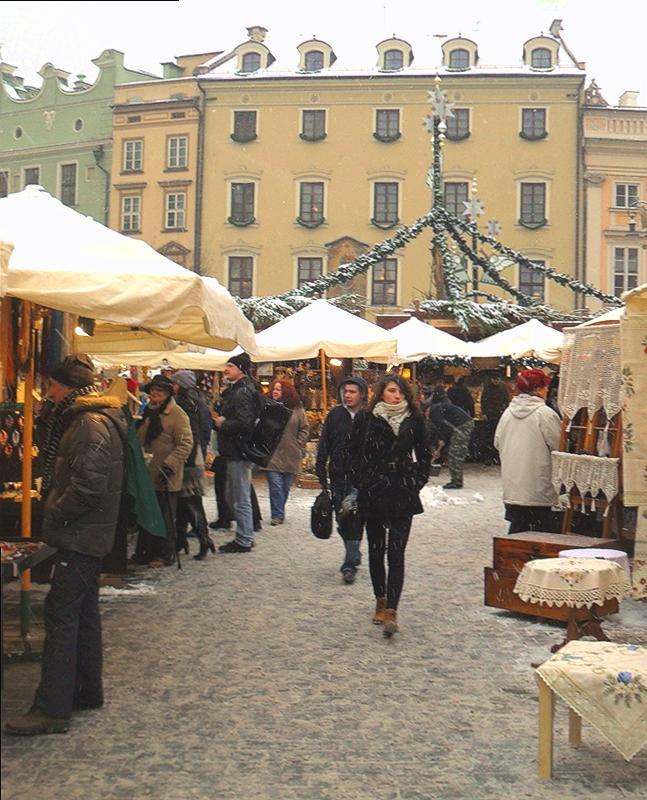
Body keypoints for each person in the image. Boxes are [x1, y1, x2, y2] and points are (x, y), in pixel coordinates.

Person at [6, 355, 127, 736]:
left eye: (54, 385)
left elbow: (88, 485)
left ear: (69, 386)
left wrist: (55, 513)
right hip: (88, 533)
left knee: (62, 615)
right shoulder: (89, 419)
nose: (48, 391)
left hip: (80, 533)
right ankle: (86, 690)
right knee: (83, 613)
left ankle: (52, 708)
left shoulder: (89, 423)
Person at [348, 375, 430, 636]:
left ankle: (392, 609)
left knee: (396, 551)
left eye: (401, 392)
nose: (397, 396)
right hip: (374, 490)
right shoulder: (366, 418)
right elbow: (351, 453)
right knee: (376, 549)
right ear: (381, 393)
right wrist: (362, 481)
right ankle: (380, 599)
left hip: (403, 490)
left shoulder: (415, 420)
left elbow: (425, 455)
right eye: (392, 391)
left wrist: (416, 480)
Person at [494, 368, 561, 534]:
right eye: (545, 387)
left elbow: (497, 442)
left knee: (518, 534)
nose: (547, 390)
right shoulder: (545, 414)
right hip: (539, 488)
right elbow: (559, 447)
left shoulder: (507, 414)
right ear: (537, 390)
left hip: (513, 488)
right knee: (542, 536)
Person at [135, 374, 193, 566]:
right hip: (147, 474)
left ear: (168, 394)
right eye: (152, 391)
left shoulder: (177, 414)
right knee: (146, 515)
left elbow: (185, 444)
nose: (154, 394)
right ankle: (144, 552)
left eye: (159, 391)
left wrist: (169, 465)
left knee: (164, 517)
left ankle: (163, 554)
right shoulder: (148, 412)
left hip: (165, 475)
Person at [315, 376, 368, 584]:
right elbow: (325, 442)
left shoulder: (368, 416)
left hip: (361, 477)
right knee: (342, 518)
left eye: (352, 391)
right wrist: (320, 467)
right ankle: (353, 552)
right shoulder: (335, 415)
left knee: (355, 516)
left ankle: (349, 564)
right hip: (338, 474)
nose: (347, 395)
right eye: (345, 391)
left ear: (362, 394)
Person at [212, 352, 262, 553]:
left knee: (240, 496)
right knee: (238, 495)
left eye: (230, 366)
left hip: (239, 451)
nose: (226, 369)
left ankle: (244, 538)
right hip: (237, 450)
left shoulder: (242, 392)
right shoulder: (239, 390)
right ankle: (245, 535)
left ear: (240, 369)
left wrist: (223, 423)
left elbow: (244, 424)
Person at [171, 370, 215, 561]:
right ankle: (182, 539)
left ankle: (204, 539)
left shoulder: (186, 403)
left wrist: (190, 456)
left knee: (190, 501)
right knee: (185, 500)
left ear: (180, 385)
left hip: (189, 458)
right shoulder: (199, 401)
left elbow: (191, 434)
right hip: (195, 455)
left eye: (175, 383)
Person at [262, 379, 310, 525]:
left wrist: (299, 442)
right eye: (274, 389)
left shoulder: (297, 410)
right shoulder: (267, 407)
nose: (275, 392)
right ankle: (277, 515)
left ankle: (279, 511)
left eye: (279, 389)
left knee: (285, 487)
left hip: (290, 453)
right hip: (272, 453)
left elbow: (305, 428)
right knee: (275, 486)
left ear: (286, 392)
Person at [427, 385, 474, 489]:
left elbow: (444, 426)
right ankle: (456, 480)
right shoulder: (438, 407)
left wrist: (442, 439)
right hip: (462, 424)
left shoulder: (435, 411)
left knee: (455, 453)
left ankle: (456, 482)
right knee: (453, 452)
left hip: (462, 426)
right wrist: (442, 439)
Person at [480, 374, 509, 465]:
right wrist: (484, 413)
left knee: (497, 436)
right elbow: (483, 401)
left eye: (498, 379)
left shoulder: (502, 387)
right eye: (495, 379)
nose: (497, 381)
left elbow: (506, 400)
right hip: (490, 415)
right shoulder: (488, 388)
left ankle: (496, 457)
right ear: (492, 379)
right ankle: (489, 457)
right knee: (490, 437)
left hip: (498, 414)